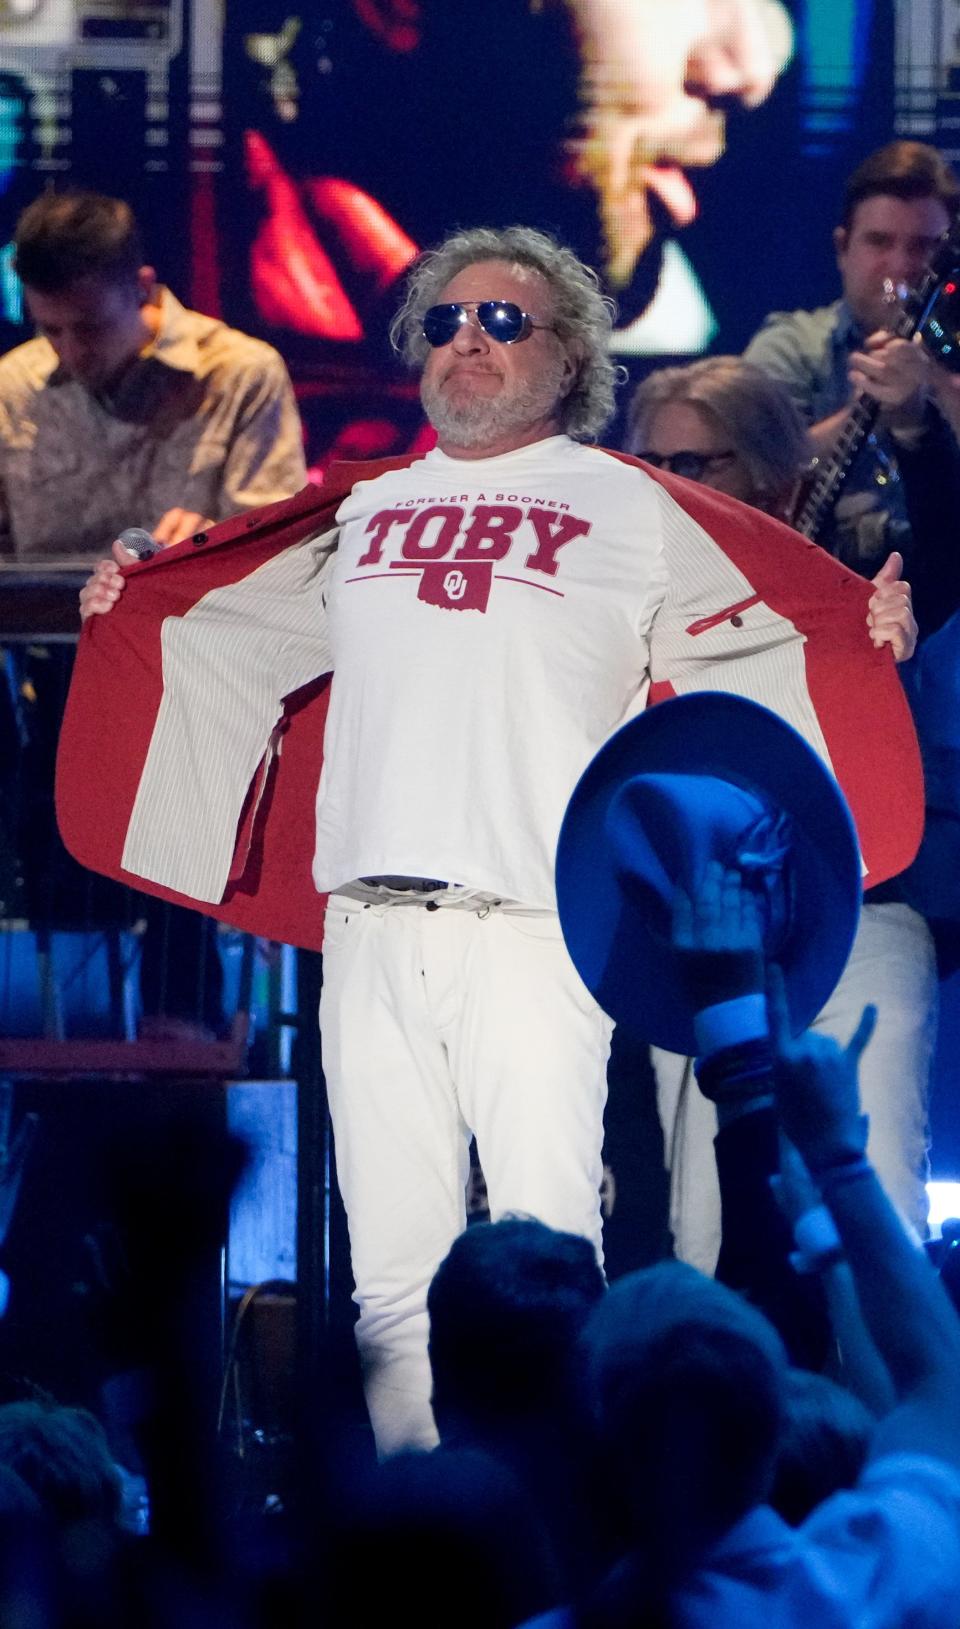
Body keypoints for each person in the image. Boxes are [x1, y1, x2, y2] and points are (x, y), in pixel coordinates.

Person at [66, 224, 922, 1455]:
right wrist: (130, 593)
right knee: (391, 1288)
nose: (467, 338)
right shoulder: (362, 509)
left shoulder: (635, 507)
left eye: (503, 321)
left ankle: (550, 1547)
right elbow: (211, 624)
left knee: (547, 1260)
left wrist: (863, 622)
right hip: (367, 928)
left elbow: (777, 635)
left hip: (534, 931)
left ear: (571, 356)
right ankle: (435, 1554)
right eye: (445, 322)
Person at [524, 873, 960, 1629]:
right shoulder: (884, 1577)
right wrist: (839, 1170)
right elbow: (932, 1380)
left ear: (594, 1454)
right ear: (767, 1432)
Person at [626, 355, 933, 1268]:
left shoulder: (867, 600)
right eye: (654, 466)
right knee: (706, 1231)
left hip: (862, 922)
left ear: (779, 479)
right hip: (698, 939)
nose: (672, 489)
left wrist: (893, 647)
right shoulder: (622, 616)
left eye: (698, 465)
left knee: (872, 1217)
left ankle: (881, 1410)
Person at [0, 188, 306, 560]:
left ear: (142, 288)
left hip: (185, 614)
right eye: (50, 330)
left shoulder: (241, 374)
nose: (71, 352)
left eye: (91, 329)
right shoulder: (12, 385)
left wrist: (216, 543)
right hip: (44, 617)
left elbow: (279, 550)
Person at [744, 140, 960, 627]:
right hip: (814, 598)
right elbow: (749, 469)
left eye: (925, 247)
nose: (902, 266)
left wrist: (931, 387)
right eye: (880, 242)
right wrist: (871, 403)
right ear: (843, 248)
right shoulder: (790, 344)